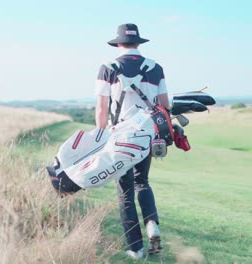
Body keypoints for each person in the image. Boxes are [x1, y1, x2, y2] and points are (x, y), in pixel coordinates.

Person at [95, 23, 169, 260]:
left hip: (118, 136)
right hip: (147, 135)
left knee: (125, 191)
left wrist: (100, 137)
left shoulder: (107, 68)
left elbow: (102, 107)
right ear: (138, 43)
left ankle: (135, 249)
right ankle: (152, 225)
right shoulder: (155, 68)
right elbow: (164, 105)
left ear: (118, 44)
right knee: (142, 182)